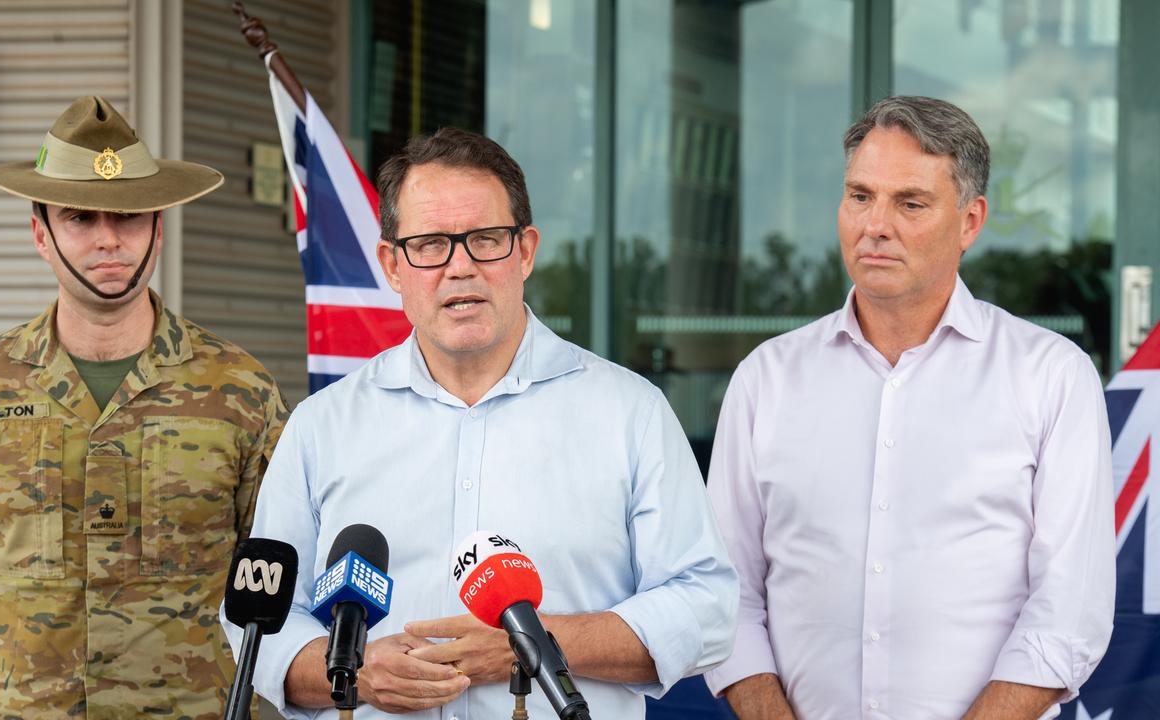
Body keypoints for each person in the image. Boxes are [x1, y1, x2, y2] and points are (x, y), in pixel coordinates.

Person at [224, 127, 739, 719]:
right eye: (430, 244)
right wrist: (353, 672)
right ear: (392, 265)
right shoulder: (322, 426)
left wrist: (532, 645)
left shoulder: (632, 414)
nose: (460, 267)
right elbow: (257, 621)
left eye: (486, 240)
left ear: (525, 250)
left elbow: (707, 608)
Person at [702, 95, 1115, 720]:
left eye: (910, 203)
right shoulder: (767, 379)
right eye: (860, 195)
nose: (875, 225)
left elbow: (1069, 612)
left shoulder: (1050, 377)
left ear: (971, 221)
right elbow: (724, 590)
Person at [0, 96, 289, 719]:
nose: (108, 239)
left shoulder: (240, 390)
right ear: (40, 233)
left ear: (159, 228)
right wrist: (5, 692)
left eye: (130, 217)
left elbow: (271, 569)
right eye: (79, 217)